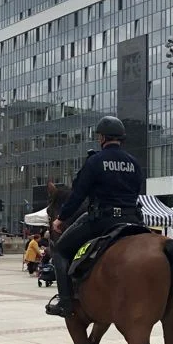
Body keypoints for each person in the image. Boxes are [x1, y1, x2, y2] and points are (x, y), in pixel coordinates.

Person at [45, 116, 144, 317]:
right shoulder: (134, 163)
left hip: (103, 220)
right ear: (121, 138)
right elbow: (136, 191)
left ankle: (65, 303)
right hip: (133, 220)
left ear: (102, 138)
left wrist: (60, 218)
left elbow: (77, 195)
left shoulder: (95, 161)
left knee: (60, 251)